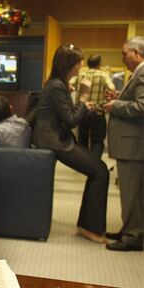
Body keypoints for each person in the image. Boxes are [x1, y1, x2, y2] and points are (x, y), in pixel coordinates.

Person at [33, 43, 110, 244]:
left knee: (99, 170)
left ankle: (87, 225)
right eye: (78, 62)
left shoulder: (58, 84)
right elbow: (71, 120)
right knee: (100, 171)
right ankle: (89, 227)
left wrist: (82, 105)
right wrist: (84, 97)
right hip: (54, 141)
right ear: (68, 64)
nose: (81, 66)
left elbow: (68, 115)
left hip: (57, 139)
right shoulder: (57, 86)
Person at [103, 36, 144, 252]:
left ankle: (133, 237)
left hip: (133, 145)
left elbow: (141, 106)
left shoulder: (143, 72)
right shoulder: (137, 73)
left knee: (132, 193)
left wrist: (116, 105)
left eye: (125, 53)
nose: (122, 58)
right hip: (133, 145)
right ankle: (131, 229)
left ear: (137, 53)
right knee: (135, 193)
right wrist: (119, 96)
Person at [70, 54, 115, 158]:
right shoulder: (103, 75)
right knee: (97, 140)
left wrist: (78, 89)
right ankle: (95, 164)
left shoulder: (81, 74)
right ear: (99, 64)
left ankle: (84, 163)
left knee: (82, 139)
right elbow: (112, 88)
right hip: (97, 111)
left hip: (82, 111)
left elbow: (70, 85)